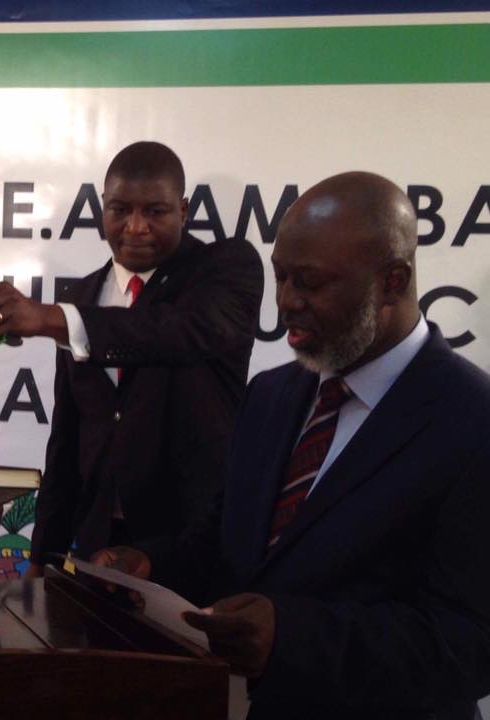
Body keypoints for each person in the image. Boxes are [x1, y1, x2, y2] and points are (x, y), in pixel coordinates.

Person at [94, 172, 490, 720]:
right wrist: (148, 564)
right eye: (280, 278)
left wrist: (292, 638)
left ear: (392, 282)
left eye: (309, 283)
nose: (285, 304)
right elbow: (222, 542)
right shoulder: (271, 394)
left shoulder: (473, 421)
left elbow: (469, 642)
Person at [0, 141, 264, 570]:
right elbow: (67, 443)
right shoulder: (80, 297)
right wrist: (43, 563)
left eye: (155, 212)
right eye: (120, 210)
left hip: (195, 542)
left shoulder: (227, 268)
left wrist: (51, 320)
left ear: (184, 209)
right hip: (98, 544)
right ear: (102, 208)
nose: (135, 228)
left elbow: (174, 332)